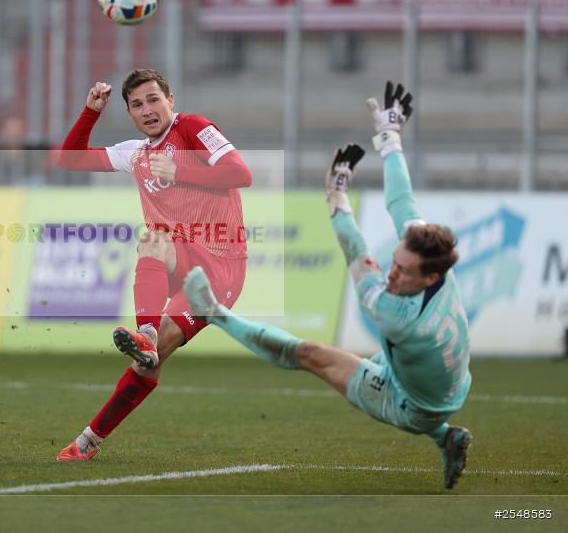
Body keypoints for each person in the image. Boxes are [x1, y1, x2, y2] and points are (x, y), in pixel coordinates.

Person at [183, 82, 472, 489]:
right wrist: (390, 137)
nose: (391, 273)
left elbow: (355, 250)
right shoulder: (437, 262)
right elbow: (402, 203)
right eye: (395, 262)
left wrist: (336, 196)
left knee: (308, 354)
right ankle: (448, 438)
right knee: (379, 358)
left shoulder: (394, 315)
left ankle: (214, 313)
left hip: (411, 406)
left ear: (430, 278)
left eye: (403, 272)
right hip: (443, 382)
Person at [55, 68, 252, 461]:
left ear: (170, 100)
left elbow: (241, 173)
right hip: (180, 256)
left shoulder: (192, 128)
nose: (147, 110)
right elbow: (70, 160)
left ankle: (89, 439)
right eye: (136, 105)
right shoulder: (136, 153)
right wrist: (91, 112)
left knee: (155, 356)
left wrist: (180, 171)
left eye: (153, 100)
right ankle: (144, 332)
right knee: (152, 240)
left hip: (220, 268)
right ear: (129, 113)